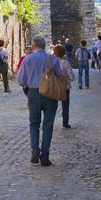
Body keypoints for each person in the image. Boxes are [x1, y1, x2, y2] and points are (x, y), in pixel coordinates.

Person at [16, 35, 66, 167]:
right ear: (44, 45)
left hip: (33, 94)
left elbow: (21, 80)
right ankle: (45, 157)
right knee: (48, 126)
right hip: (50, 95)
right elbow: (61, 75)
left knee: (34, 124)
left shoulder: (28, 59)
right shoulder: (52, 59)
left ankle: (34, 150)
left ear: (33, 46)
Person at [53, 44, 76, 128]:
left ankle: (50, 122)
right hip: (64, 87)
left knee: (52, 106)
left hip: (53, 87)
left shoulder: (51, 62)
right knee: (65, 106)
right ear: (63, 53)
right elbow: (72, 77)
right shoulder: (65, 63)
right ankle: (65, 123)